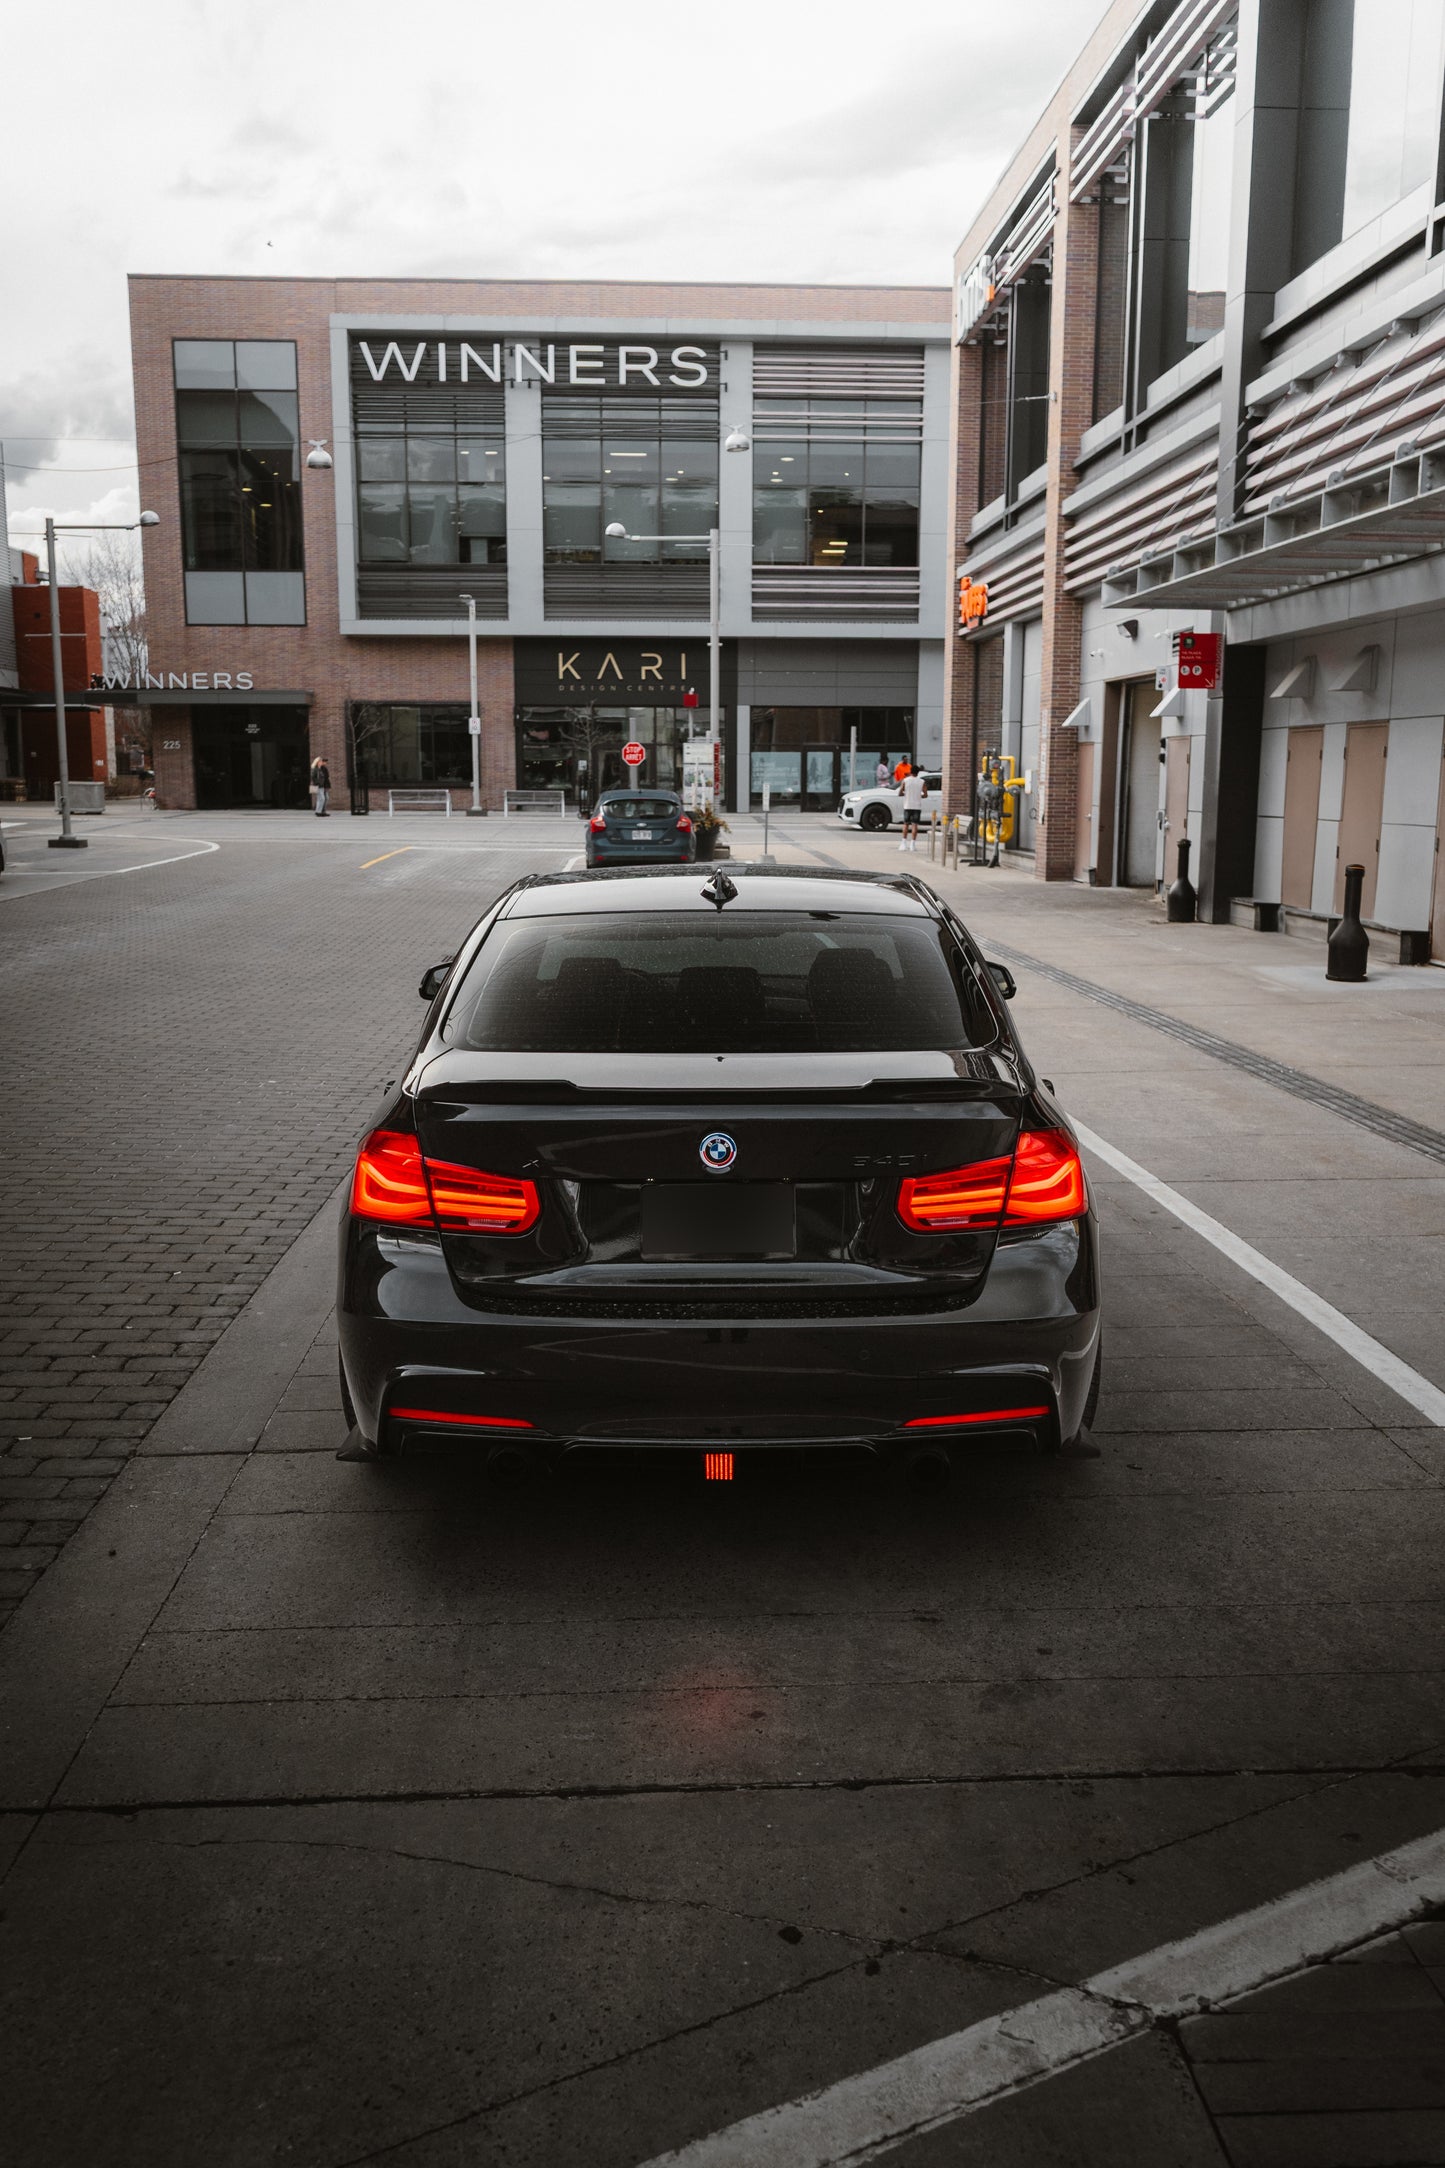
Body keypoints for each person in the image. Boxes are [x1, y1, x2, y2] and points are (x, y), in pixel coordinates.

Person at [898, 765, 926, 851]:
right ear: (918, 772)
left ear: (910, 771)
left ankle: (903, 843)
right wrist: (919, 795)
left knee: (906, 824)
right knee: (915, 825)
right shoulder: (922, 782)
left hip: (907, 805)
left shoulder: (905, 781)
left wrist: (905, 793)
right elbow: (925, 794)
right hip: (917, 806)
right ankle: (912, 845)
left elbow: (900, 793)